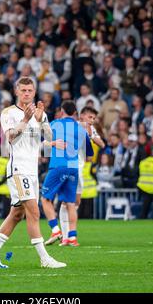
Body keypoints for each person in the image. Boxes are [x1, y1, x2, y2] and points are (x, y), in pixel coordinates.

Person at [0, 76, 66, 269]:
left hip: (32, 170)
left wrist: (42, 120)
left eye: (30, 91)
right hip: (18, 169)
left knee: (17, 214)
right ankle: (44, 258)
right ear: (16, 92)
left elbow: (46, 137)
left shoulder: (39, 113)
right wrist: (27, 119)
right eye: (23, 90)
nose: (26, 94)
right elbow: (11, 137)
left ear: (34, 92)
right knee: (34, 212)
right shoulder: (9, 113)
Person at [41, 102, 94, 247]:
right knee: (70, 204)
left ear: (62, 111)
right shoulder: (81, 128)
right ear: (75, 112)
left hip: (58, 166)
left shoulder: (54, 124)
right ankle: (72, 237)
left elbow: (43, 142)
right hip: (73, 168)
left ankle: (55, 230)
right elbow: (90, 153)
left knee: (45, 199)